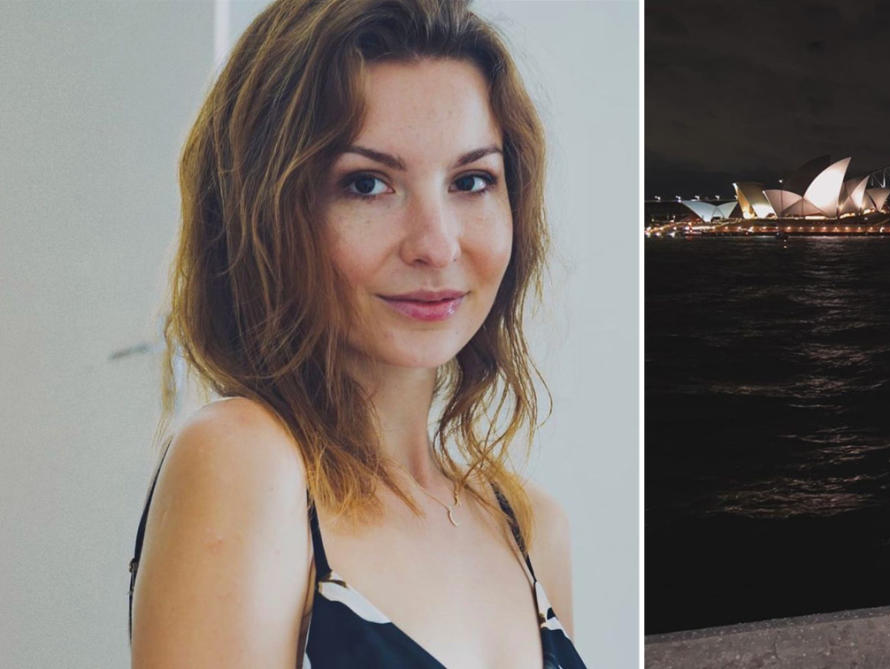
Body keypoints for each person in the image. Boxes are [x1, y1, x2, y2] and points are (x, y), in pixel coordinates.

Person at [127, 1, 587, 667]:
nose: (436, 243)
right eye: (367, 184)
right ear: (265, 213)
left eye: (471, 180)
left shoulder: (531, 528)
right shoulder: (244, 463)